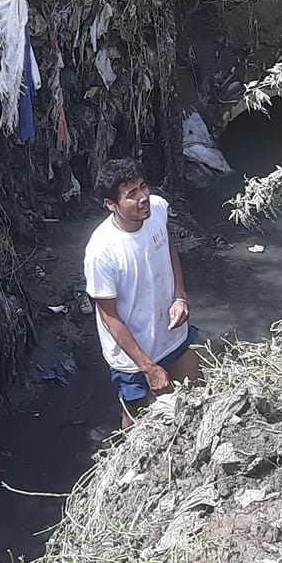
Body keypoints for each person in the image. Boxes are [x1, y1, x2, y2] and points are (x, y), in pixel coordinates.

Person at [82, 158, 200, 427]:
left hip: (170, 332)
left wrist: (180, 296)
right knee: (137, 423)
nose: (143, 197)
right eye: (131, 194)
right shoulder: (101, 252)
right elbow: (109, 317)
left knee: (197, 398)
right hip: (132, 356)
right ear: (111, 205)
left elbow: (168, 246)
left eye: (143, 187)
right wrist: (148, 367)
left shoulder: (157, 209)